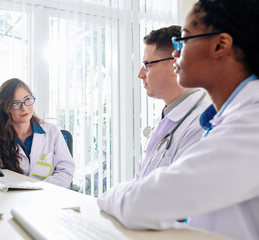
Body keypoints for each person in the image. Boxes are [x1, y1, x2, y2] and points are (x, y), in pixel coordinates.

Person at [97, 0, 259, 239]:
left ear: (220, 45)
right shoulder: (228, 117)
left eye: (182, 39)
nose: (175, 53)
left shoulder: (252, 121)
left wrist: (109, 195)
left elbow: (143, 203)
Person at [136, 25, 209, 180]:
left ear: (174, 64)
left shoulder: (200, 125)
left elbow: (182, 192)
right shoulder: (166, 117)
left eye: (147, 65)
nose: (140, 74)